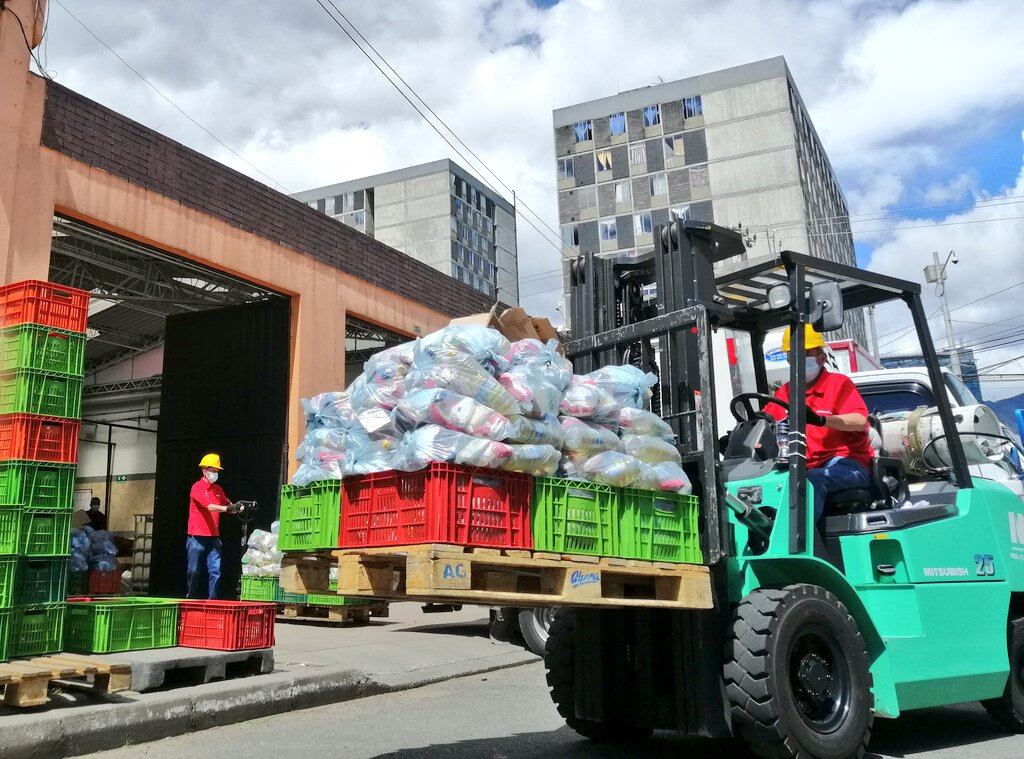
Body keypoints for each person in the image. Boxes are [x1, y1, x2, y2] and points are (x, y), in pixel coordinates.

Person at [766, 324, 874, 522]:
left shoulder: (839, 384)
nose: (798, 360)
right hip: (801, 466)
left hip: (847, 464)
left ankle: (797, 539)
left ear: (822, 358)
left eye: (806, 354)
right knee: (766, 484)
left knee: (811, 480)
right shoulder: (784, 392)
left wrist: (823, 420)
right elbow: (766, 421)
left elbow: (860, 421)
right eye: (793, 355)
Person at [186, 453, 231, 599]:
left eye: (217, 471)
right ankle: (191, 598)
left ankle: (212, 600)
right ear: (204, 471)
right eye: (213, 471)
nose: (215, 474)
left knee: (215, 570)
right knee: (194, 570)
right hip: (197, 536)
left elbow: (227, 504)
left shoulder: (218, 489)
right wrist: (226, 508)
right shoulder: (197, 488)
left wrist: (238, 507)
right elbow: (210, 506)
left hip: (213, 537)